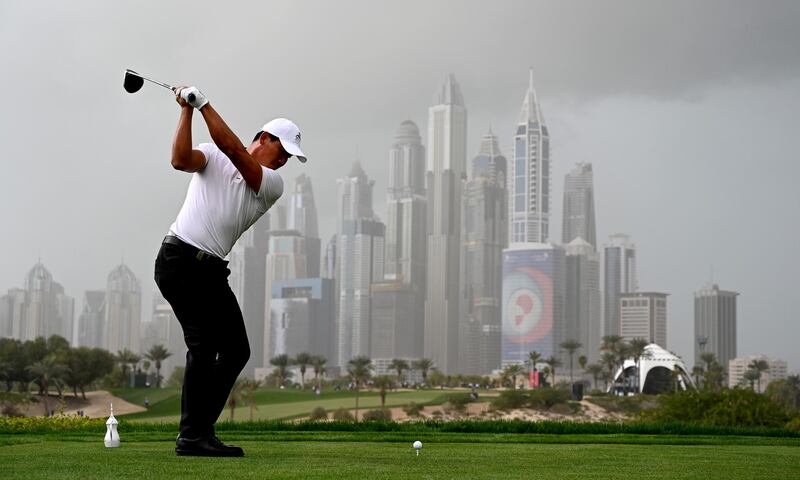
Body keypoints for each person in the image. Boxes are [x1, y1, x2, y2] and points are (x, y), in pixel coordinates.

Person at [154, 85, 306, 457]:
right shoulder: (209, 155)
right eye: (283, 150)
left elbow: (235, 151)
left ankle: (199, 431)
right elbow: (178, 160)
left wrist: (204, 104)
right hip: (180, 260)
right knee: (203, 348)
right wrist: (187, 110)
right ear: (265, 138)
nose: (284, 160)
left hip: (209, 271)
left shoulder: (272, 183)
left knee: (236, 350)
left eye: (289, 156)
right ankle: (193, 437)